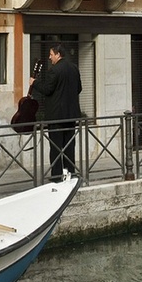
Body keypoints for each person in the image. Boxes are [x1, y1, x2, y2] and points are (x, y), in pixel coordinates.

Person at [29, 43, 82, 181]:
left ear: (58, 54)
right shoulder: (74, 68)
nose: (49, 57)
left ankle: (57, 175)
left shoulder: (55, 70)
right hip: (71, 115)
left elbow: (47, 89)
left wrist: (34, 83)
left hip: (57, 115)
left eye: (51, 54)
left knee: (56, 147)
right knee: (70, 146)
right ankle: (70, 173)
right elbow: (79, 88)